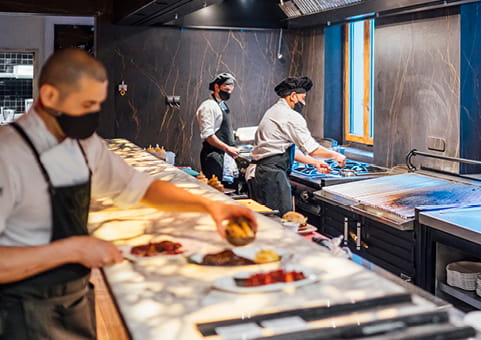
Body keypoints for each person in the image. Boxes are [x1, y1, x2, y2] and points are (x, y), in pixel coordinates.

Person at [0, 49, 256, 340]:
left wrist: (211, 207)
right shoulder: (7, 154)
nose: (91, 116)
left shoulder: (83, 146)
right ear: (48, 96)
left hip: (73, 300)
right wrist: (72, 250)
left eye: (97, 105)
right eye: (86, 105)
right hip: (15, 315)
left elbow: (140, 187)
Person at [247, 76, 346, 214]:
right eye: (302, 98)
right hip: (271, 177)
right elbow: (313, 149)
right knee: (279, 222)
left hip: (262, 173)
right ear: (293, 96)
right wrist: (336, 155)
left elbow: (280, 150)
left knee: (266, 221)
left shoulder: (273, 111)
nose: (303, 103)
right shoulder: (290, 116)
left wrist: (314, 163)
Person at [196, 72, 240, 189]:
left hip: (225, 156)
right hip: (213, 156)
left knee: (226, 191)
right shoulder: (208, 106)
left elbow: (221, 129)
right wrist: (227, 148)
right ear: (216, 87)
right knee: (215, 191)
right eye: (226, 87)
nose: (229, 90)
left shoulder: (223, 105)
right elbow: (208, 135)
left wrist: (233, 135)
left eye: (231, 88)